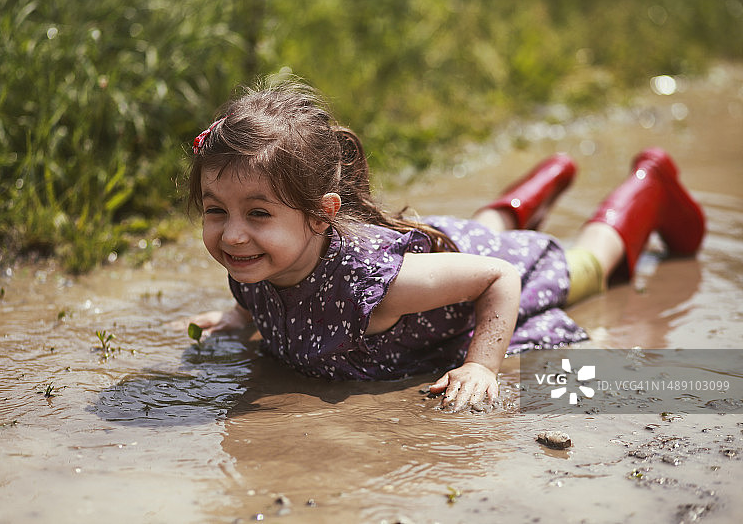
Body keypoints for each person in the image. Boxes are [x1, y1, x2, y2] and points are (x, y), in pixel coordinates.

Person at [176, 79, 705, 412]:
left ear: (322, 215)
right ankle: (544, 181)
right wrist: (240, 316)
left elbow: (500, 276)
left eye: (259, 213)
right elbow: (271, 289)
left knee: (591, 262)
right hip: (444, 246)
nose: (233, 234)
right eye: (216, 210)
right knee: (468, 234)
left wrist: (481, 365)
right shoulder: (255, 257)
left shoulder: (375, 289)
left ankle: (649, 182)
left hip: (495, 266)